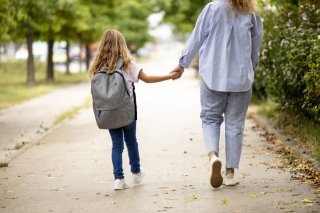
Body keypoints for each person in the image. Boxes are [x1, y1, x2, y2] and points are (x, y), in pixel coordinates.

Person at [172, 0, 263, 188]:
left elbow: (197, 37)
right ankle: (230, 173)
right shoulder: (251, 12)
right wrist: (251, 67)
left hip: (213, 74)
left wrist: (183, 63)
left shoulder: (212, 8)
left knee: (210, 119)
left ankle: (213, 156)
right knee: (235, 124)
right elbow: (256, 44)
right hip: (241, 78)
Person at [89, 29, 180, 190]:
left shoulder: (97, 66)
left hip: (108, 112)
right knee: (131, 141)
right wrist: (169, 76)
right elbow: (147, 79)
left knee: (116, 145)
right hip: (126, 111)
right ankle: (136, 173)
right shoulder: (127, 64)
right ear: (122, 44)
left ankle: (118, 179)